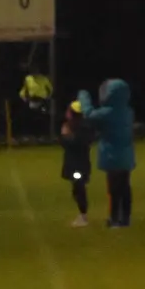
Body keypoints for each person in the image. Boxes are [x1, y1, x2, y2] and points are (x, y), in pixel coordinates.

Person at [83, 78, 136, 228]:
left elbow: (89, 115)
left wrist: (84, 97)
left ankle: (114, 218)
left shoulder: (107, 113)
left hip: (112, 155)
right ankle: (125, 218)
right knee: (125, 187)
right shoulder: (128, 112)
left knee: (114, 189)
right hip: (126, 155)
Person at [60, 94, 95, 227]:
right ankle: (82, 214)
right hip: (76, 164)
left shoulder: (81, 128)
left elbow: (75, 144)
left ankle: (83, 216)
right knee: (77, 188)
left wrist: (66, 136)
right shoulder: (77, 126)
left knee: (79, 188)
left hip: (78, 165)